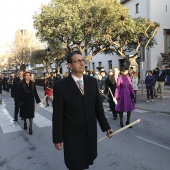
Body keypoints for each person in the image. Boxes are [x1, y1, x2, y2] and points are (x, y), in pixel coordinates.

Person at [52, 51, 113, 170]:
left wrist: (106, 127)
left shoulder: (91, 82)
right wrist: (57, 138)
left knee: (85, 162)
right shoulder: (61, 86)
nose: (81, 63)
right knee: (75, 164)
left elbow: (98, 107)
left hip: (89, 133)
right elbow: (57, 114)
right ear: (70, 65)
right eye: (77, 61)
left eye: (82, 60)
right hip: (72, 136)